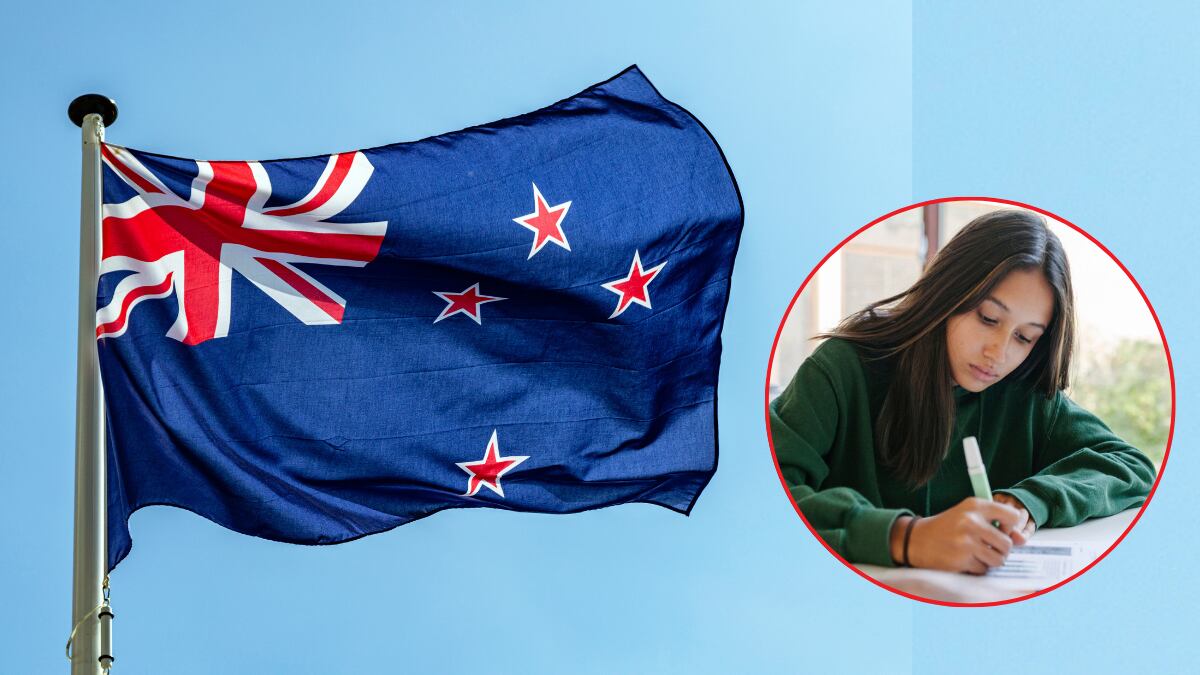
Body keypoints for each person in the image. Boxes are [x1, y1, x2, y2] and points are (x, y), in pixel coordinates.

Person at [769, 209, 1156, 574]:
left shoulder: (1026, 396)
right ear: (948, 292)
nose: (998, 353)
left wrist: (1029, 501)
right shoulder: (842, 368)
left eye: (1024, 337)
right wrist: (905, 538)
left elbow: (1130, 466)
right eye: (988, 318)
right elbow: (766, 493)